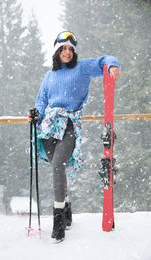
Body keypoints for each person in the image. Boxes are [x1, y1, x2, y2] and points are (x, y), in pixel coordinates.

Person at [27, 31, 122, 242]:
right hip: (48, 127)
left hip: (69, 125)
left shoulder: (82, 68)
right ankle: (67, 208)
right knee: (55, 167)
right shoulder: (49, 75)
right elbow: (42, 101)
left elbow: (103, 61)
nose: (68, 52)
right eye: (63, 48)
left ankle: (58, 221)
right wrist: (36, 114)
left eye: (71, 49)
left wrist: (114, 65)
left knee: (58, 165)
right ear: (56, 51)